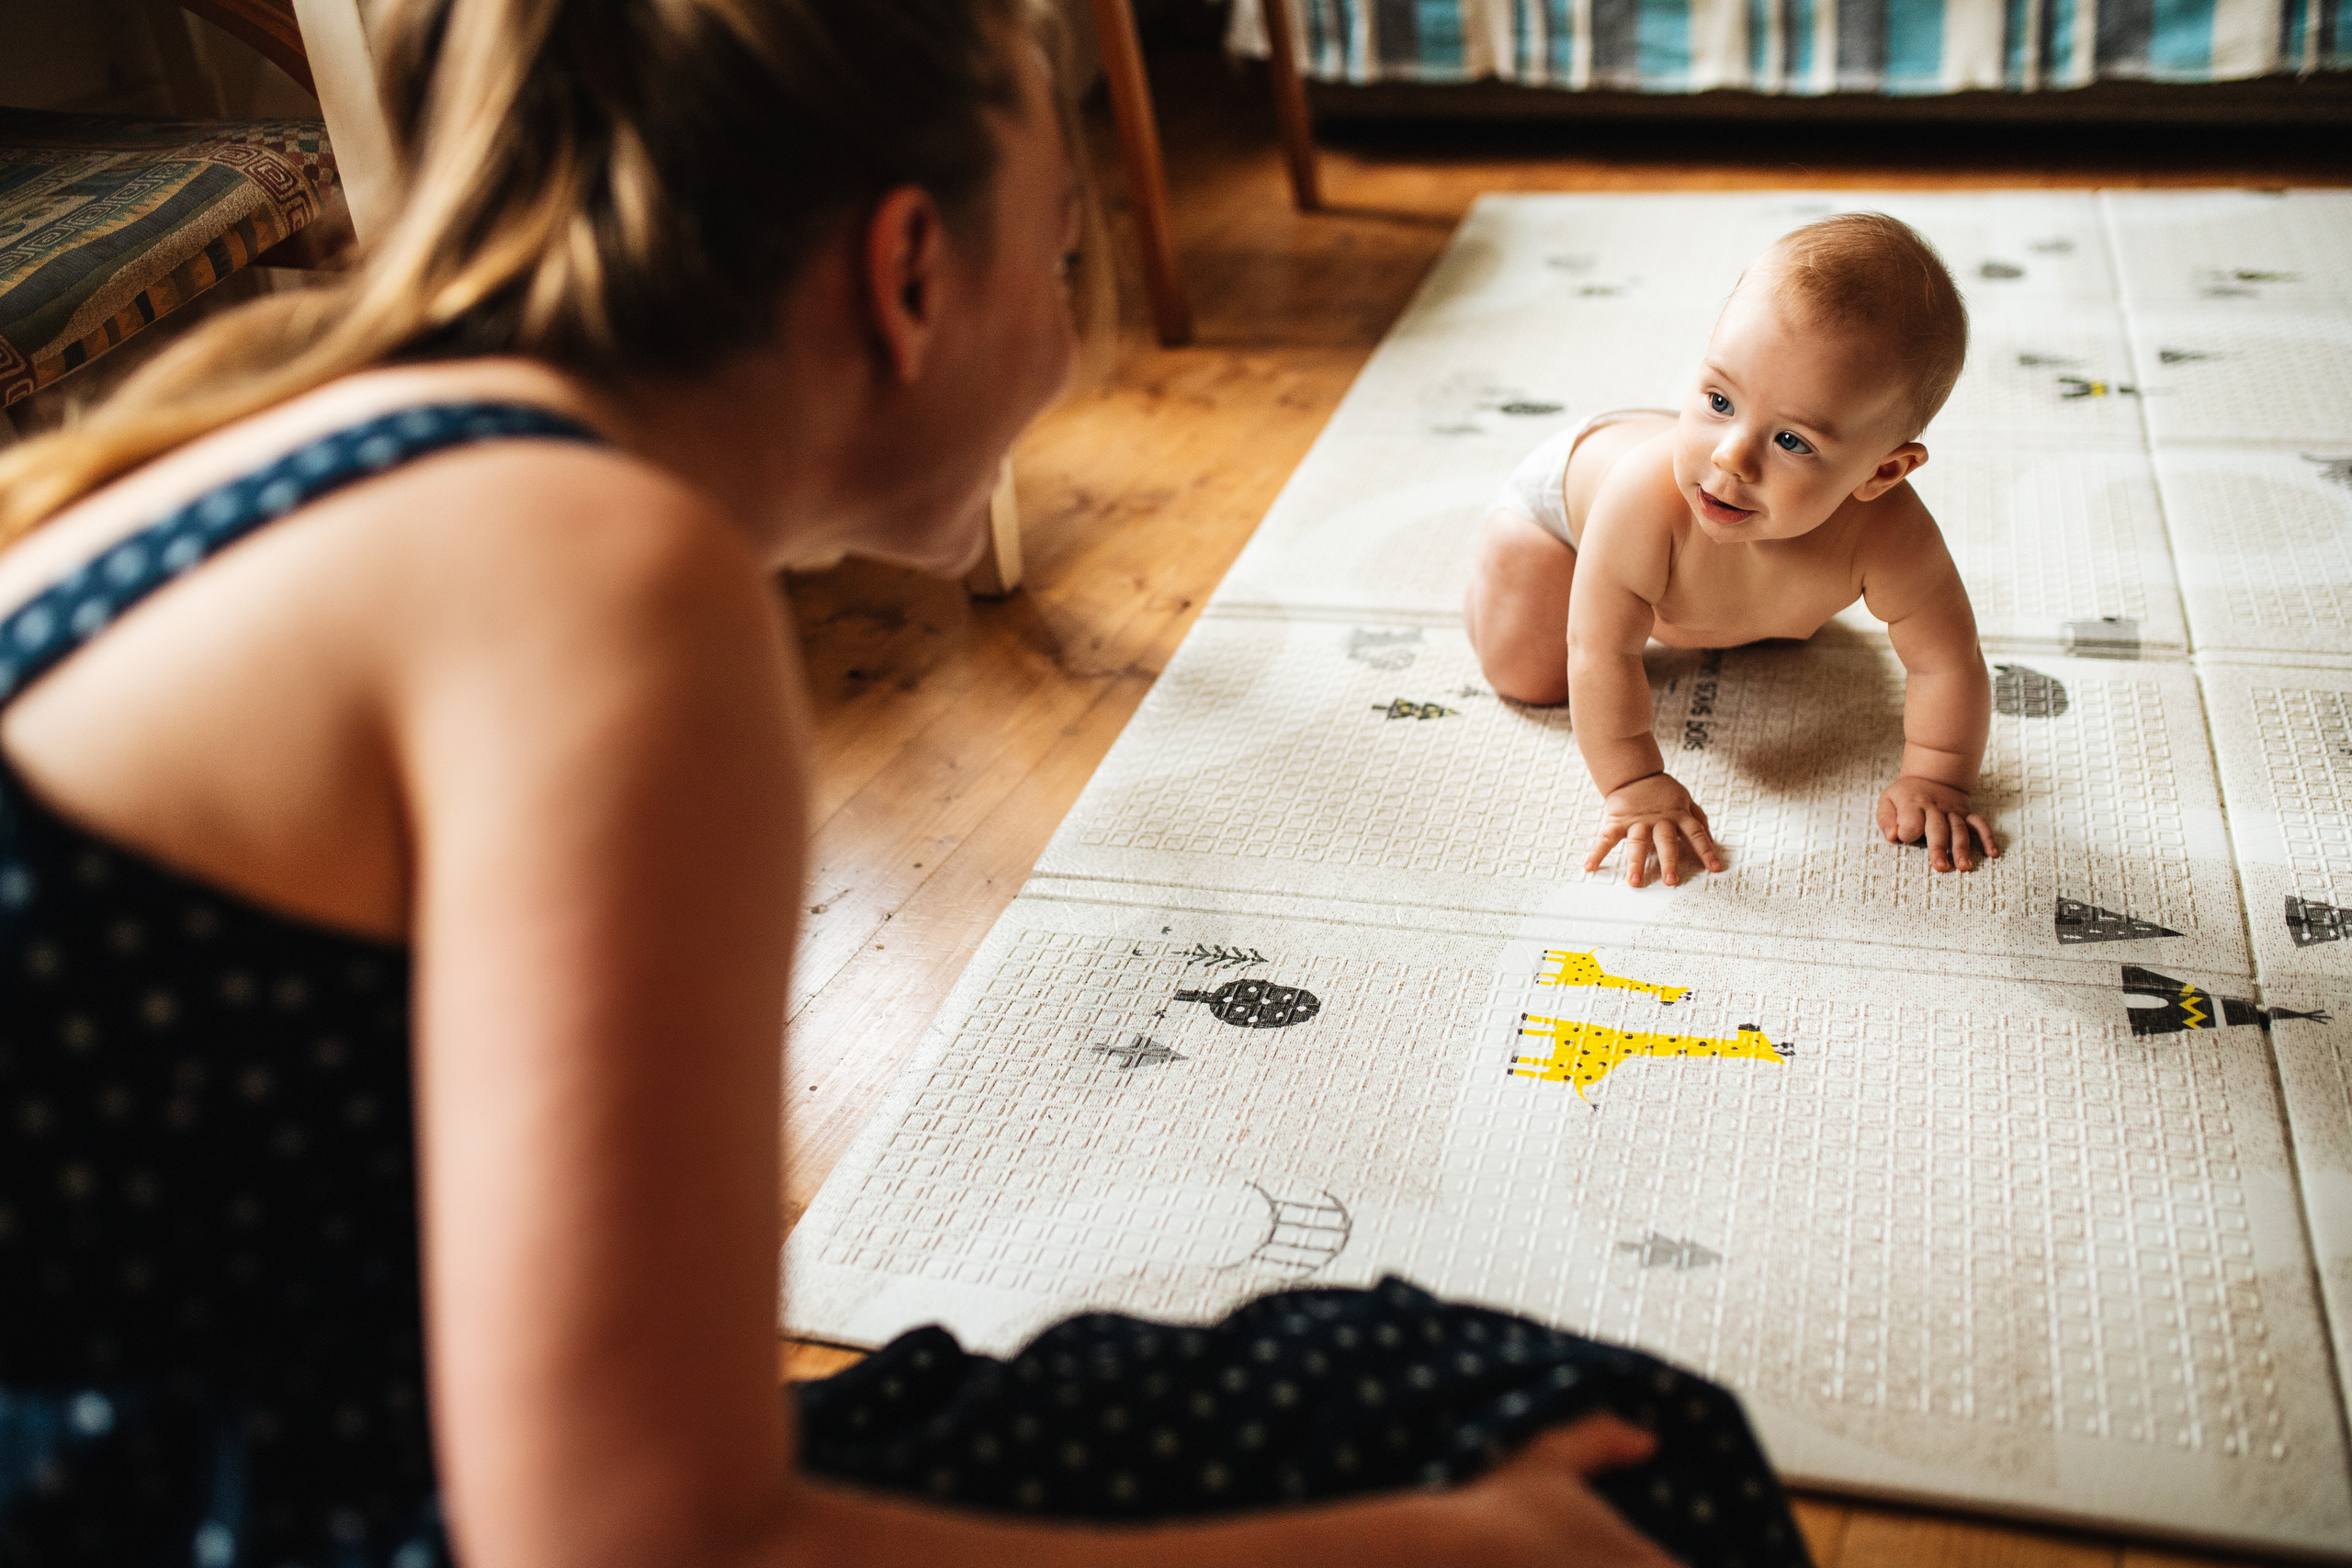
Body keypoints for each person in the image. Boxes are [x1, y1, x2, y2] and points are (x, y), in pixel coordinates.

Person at [0, 3, 1805, 1564]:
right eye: (1063, 260)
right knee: (1640, 1474)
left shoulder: (316, 445)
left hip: (291, 1450)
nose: (1066, 336)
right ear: (908, 272)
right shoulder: (604, 580)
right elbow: (634, 1545)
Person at [1464, 214, 1999, 889]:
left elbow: (1947, 660)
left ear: (1882, 472)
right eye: (1718, 398)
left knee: (1771, 619)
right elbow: (1601, 648)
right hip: (1565, 512)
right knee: (1530, 673)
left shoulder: (1894, 535)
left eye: (1792, 441)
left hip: (1706, 516)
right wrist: (1634, 783)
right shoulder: (1642, 500)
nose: (1731, 456)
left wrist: (1938, 776)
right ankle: (1497, 564)